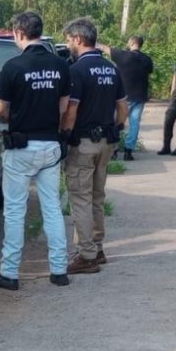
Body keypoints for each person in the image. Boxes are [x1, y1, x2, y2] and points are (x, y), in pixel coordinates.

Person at [0, 11, 71, 289]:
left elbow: (0, 109)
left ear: (19, 33)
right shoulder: (60, 65)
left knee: (15, 211)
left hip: (21, 146)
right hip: (50, 145)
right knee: (52, 208)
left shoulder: (13, 66)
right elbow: (64, 106)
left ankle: (10, 273)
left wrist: (15, 117)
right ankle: (59, 270)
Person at [61, 18, 129, 274]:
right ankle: (97, 248)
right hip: (106, 143)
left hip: (83, 142)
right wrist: (116, 128)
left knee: (80, 198)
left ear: (78, 39)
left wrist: (65, 134)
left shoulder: (77, 70)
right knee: (97, 197)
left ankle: (86, 255)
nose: (68, 44)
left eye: (69, 39)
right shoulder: (111, 69)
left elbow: (72, 110)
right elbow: (123, 108)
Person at [99, 36, 153, 160]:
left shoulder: (123, 55)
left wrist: (95, 43)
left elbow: (105, 48)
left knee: (118, 122)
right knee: (135, 123)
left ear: (133, 42)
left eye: (129, 41)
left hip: (123, 97)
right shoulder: (147, 59)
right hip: (140, 97)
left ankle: (114, 151)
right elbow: (149, 72)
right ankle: (128, 152)